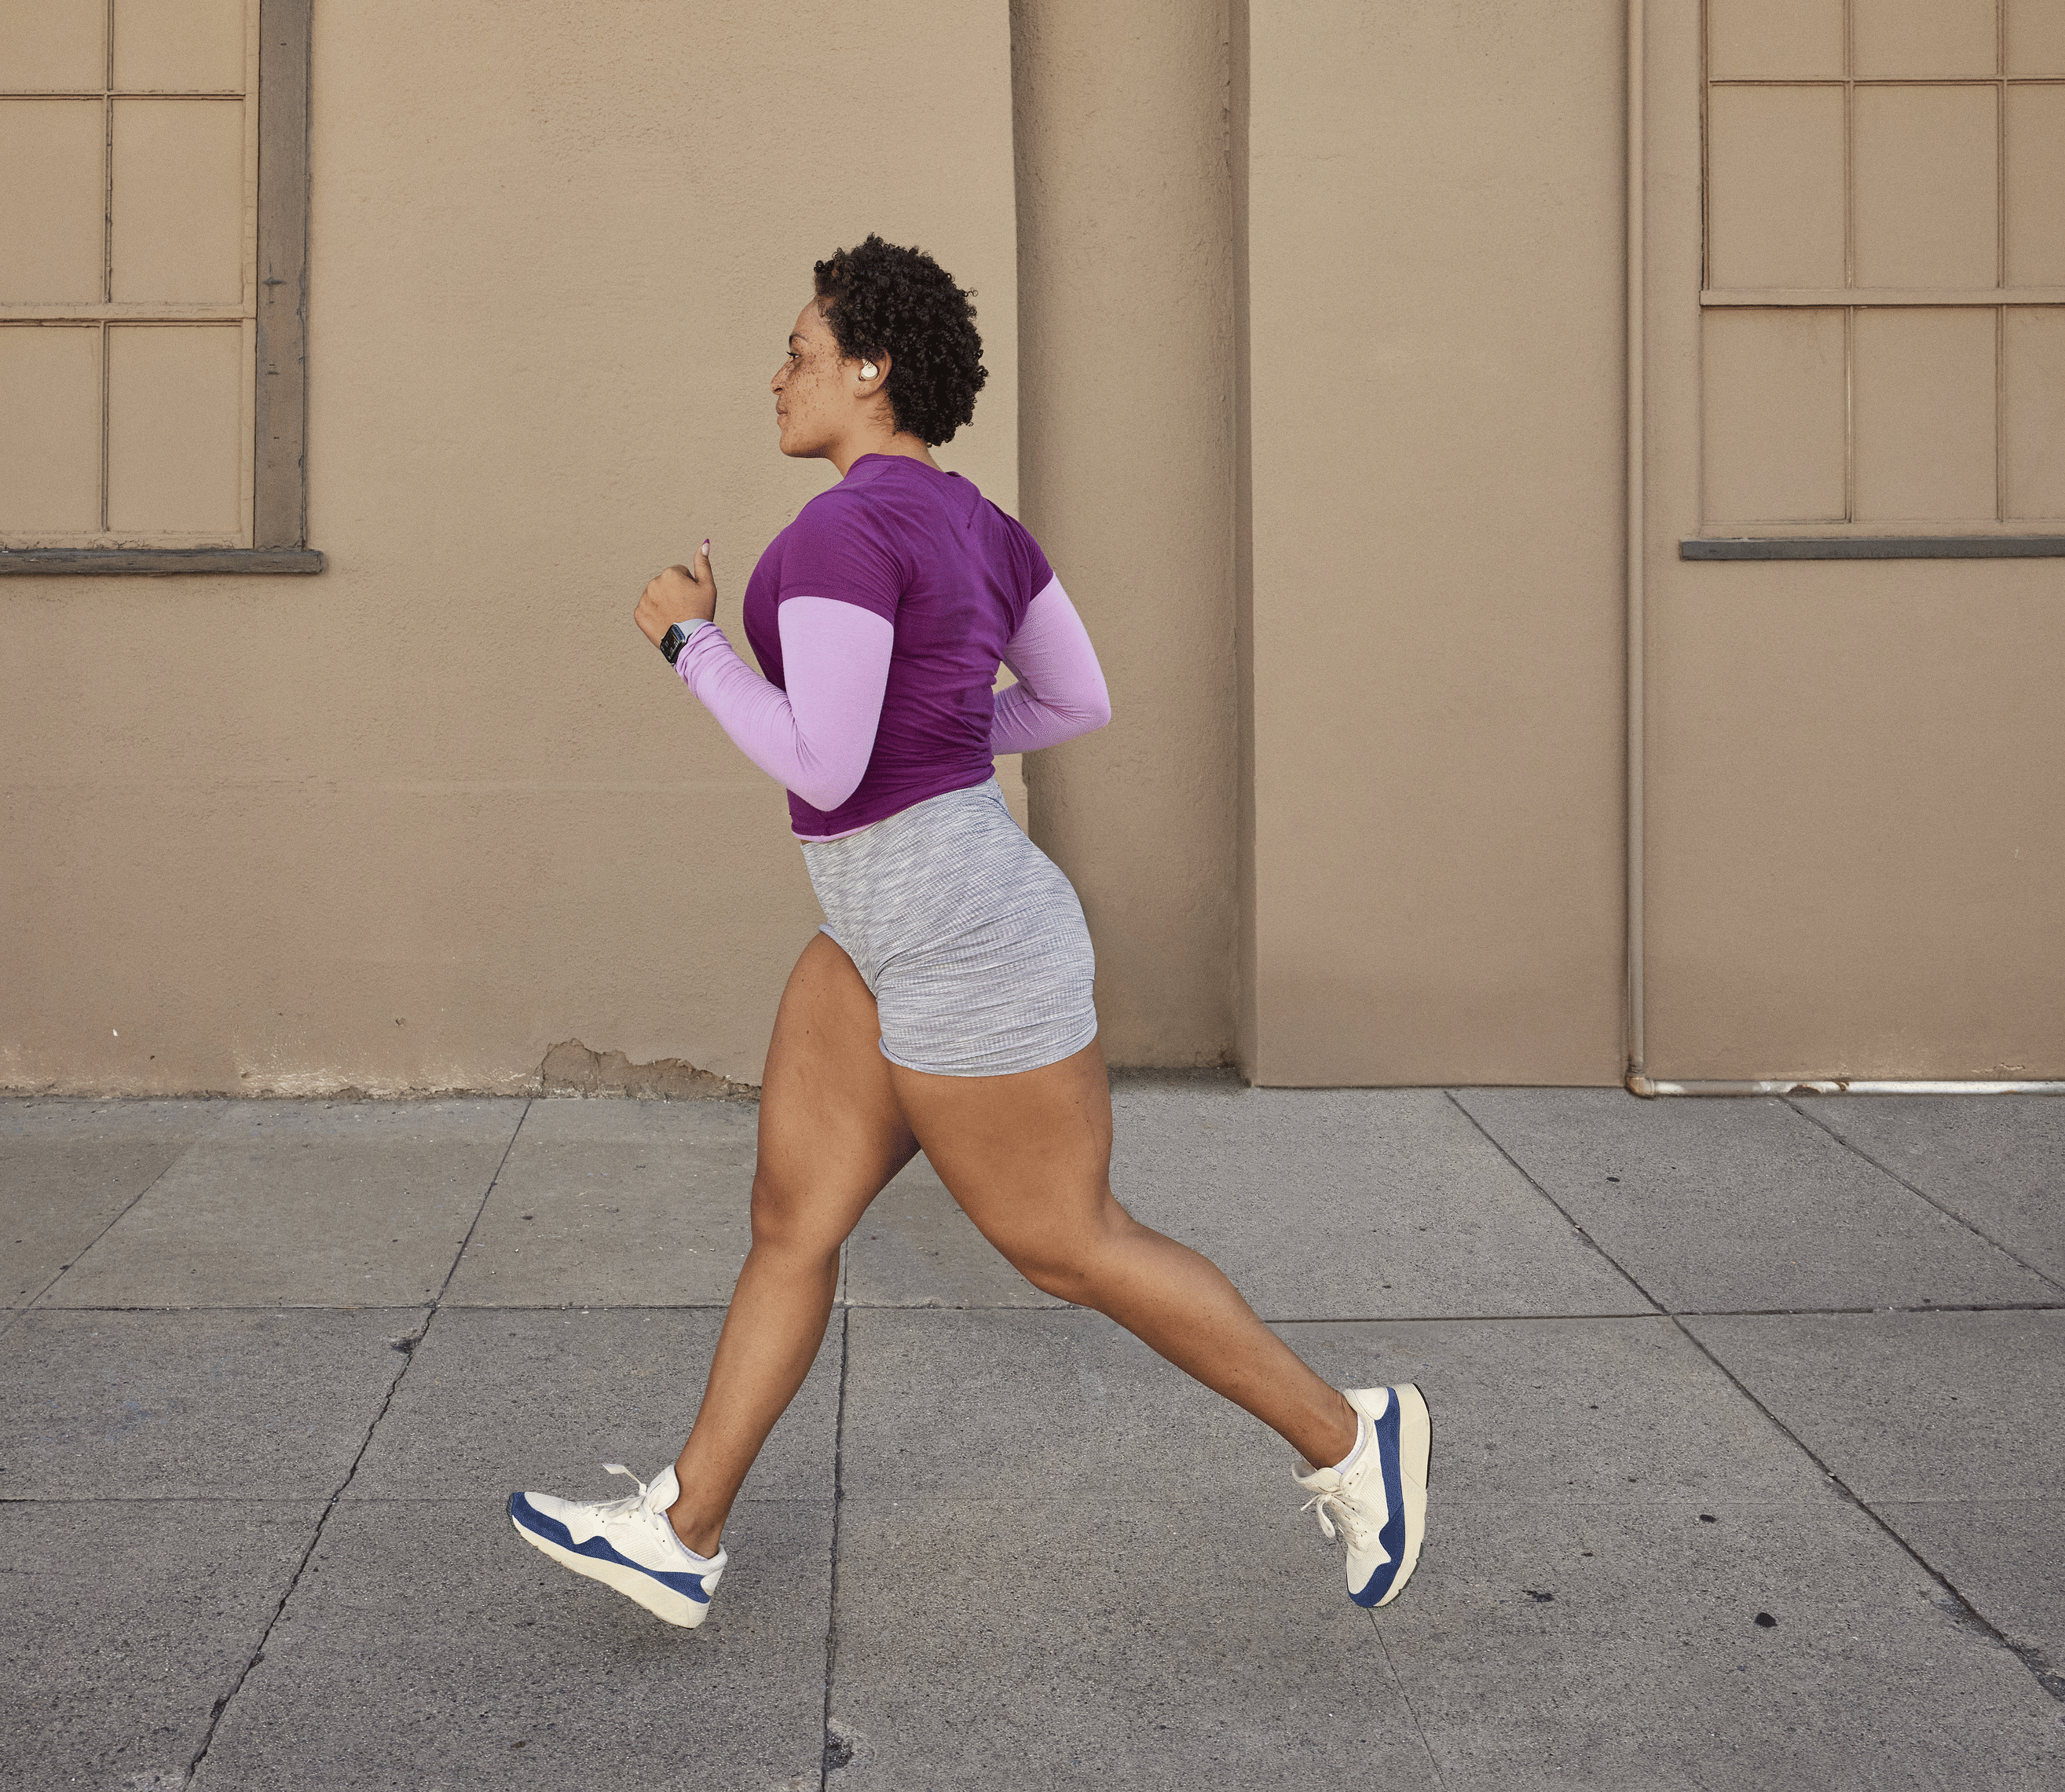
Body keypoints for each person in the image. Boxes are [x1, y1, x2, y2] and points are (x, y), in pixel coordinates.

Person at [508, 236, 1426, 1629]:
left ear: (872, 370)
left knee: (1068, 1248)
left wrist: (689, 643)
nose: (778, 376)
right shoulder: (986, 529)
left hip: (965, 944)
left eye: (802, 353)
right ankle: (680, 1534)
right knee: (793, 1221)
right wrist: (933, 737)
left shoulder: (835, 533)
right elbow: (1074, 703)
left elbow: (821, 764)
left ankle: (1355, 1441)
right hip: (880, 935)